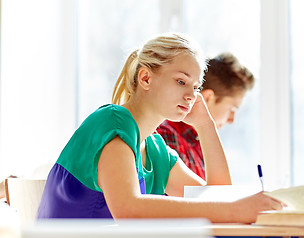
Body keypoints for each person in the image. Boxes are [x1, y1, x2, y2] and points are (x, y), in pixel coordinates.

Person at [37, 32, 282, 222]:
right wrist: (235, 210)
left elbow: (218, 198)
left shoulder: (155, 149)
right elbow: (128, 209)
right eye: (181, 81)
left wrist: (206, 126)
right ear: (145, 78)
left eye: (195, 87)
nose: (191, 95)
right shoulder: (113, 122)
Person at [157, 53, 254, 179]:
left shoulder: (201, 144)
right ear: (208, 98)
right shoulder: (167, 138)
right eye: (232, 109)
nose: (232, 120)